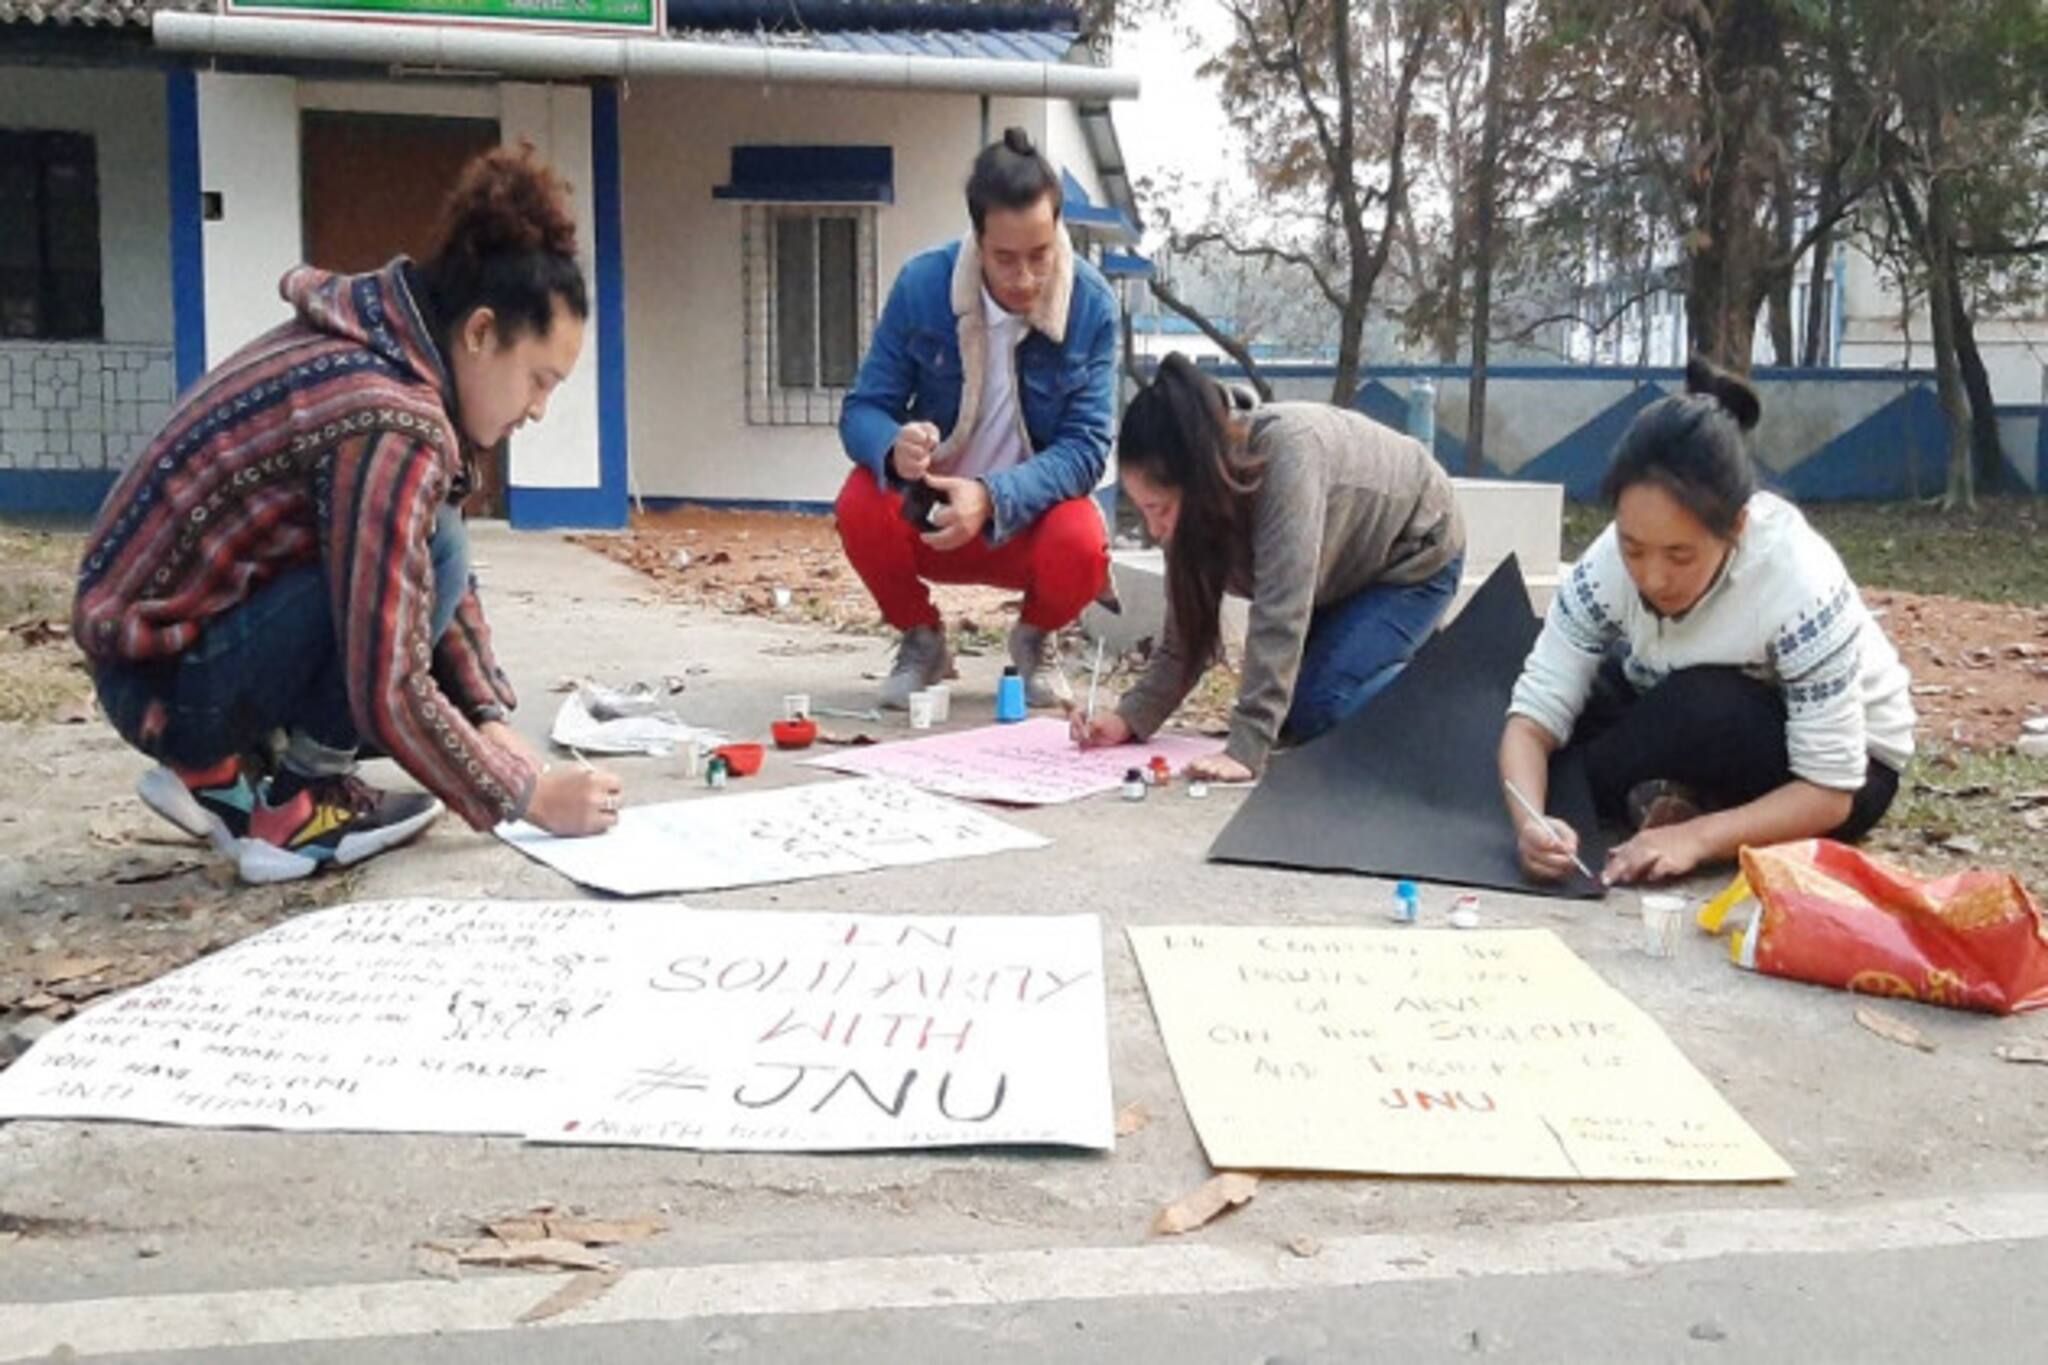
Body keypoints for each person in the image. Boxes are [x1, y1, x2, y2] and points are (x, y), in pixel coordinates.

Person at [76, 144, 622, 884]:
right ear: (481, 332)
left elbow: (438, 569)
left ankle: (214, 775)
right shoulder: (388, 418)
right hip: (169, 686)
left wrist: (489, 718)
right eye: (538, 379)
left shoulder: (382, 348)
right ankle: (299, 806)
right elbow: (387, 683)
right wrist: (525, 795)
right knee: (424, 558)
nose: (538, 408)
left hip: (163, 665)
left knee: (435, 540)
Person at [1500, 356, 1916, 887]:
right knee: (1565, 685)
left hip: (1841, 773)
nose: (1653, 577)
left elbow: (1830, 790)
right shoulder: (1607, 565)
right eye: (1635, 548)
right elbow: (1535, 714)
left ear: (1736, 527)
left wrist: (1693, 840)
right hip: (1681, 700)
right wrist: (1529, 822)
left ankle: (1665, 801)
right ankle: (1659, 790)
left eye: (1680, 556)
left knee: (1699, 707)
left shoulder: (1799, 583)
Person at [1074, 353, 1467, 782]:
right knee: (1298, 713)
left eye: (1161, 509)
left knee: (1323, 707)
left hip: (1412, 556)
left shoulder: (1288, 453)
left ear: (1201, 478)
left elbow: (1282, 609)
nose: (1156, 529)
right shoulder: (1193, 507)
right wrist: (1128, 718)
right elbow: (1188, 635)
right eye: (1143, 510)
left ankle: (1465, 686)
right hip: (1343, 573)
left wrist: (1246, 748)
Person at [835, 127, 1117, 711]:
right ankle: (922, 639)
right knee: (860, 503)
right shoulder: (923, 285)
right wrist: (894, 445)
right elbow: (862, 409)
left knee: (1084, 542)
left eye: (1040, 255)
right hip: (933, 512)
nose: (1024, 278)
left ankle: (1036, 639)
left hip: (1026, 519)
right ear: (977, 240)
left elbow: (1087, 448)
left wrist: (992, 496)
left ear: (1059, 229)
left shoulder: (1091, 305)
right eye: (1004, 258)